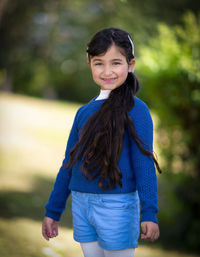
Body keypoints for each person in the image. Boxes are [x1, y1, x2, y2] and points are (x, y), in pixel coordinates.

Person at [42, 27, 162, 257]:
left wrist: (149, 213)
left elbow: (144, 165)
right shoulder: (83, 112)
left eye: (116, 62)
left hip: (117, 206)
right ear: (89, 63)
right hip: (81, 205)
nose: (107, 71)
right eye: (99, 63)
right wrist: (53, 210)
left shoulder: (137, 110)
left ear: (131, 64)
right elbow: (69, 163)